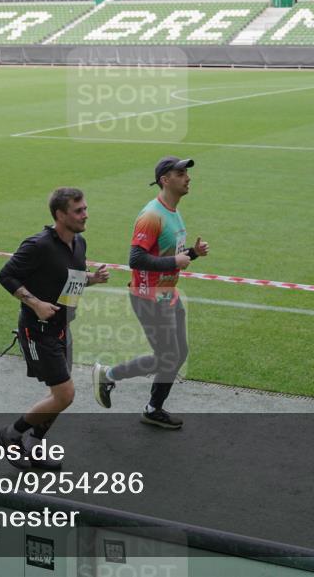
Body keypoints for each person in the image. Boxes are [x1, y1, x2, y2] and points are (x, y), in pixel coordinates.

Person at [0, 187, 109, 470]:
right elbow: (6, 275)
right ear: (60, 215)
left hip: (62, 328)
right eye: (78, 210)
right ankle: (10, 435)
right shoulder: (38, 245)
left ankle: (34, 442)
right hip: (38, 329)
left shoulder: (78, 243)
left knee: (60, 396)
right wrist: (35, 304)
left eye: (85, 209)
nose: (86, 215)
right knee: (65, 394)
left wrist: (92, 279)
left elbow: (69, 279)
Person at [93, 157, 209, 429]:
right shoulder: (151, 216)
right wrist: (174, 262)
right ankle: (109, 376)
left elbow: (170, 255)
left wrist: (193, 253)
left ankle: (153, 408)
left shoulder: (172, 210)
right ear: (164, 180)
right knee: (167, 356)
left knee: (177, 355)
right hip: (148, 297)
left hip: (168, 294)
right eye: (181, 173)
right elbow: (136, 259)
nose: (187, 178)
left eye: (186, 173)